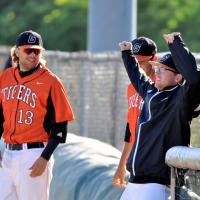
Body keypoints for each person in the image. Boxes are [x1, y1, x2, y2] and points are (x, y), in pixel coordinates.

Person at [118, 32, 200, 200]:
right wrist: (126, 53)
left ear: (178, 77)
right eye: (157, 68)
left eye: (163, 69)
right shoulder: (151, 91)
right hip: (134, 181)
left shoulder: (181, 99)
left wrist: (176, 44)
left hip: (157, 184)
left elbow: (194, 78)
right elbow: (136, 75)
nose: (157, 72)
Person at [0, 30, 75, 200]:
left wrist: (45, 157)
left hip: (33, 155)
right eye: (28, 50)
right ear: (17, 51)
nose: (33, 55)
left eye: (37, 51)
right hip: (8, 154)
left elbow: (60, 126)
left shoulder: (51, 81)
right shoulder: (5, 78)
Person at [112, 37, 157, 189]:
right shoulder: (131, 88)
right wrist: (121, 165)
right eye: (135, 61)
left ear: (153, 57)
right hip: (136, 158)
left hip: (154, 158)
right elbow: (130, 131)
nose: (138, 65)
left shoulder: (161, 84)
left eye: (142, 61)